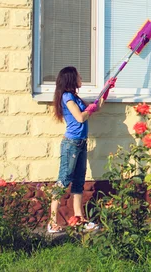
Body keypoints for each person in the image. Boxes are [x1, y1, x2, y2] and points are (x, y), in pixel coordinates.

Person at [47, 66, 116, 233]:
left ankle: (79, 219)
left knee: (78, 182)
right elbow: (80, 117)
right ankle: (51, 222)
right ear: (71, 78)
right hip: (71, 144)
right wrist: (89, 110)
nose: (81, 77)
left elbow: (96, 106)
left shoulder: (75, 97)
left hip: (81, 143)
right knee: (63, 180)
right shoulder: (67, 97)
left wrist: (106, 89)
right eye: (78, 75)